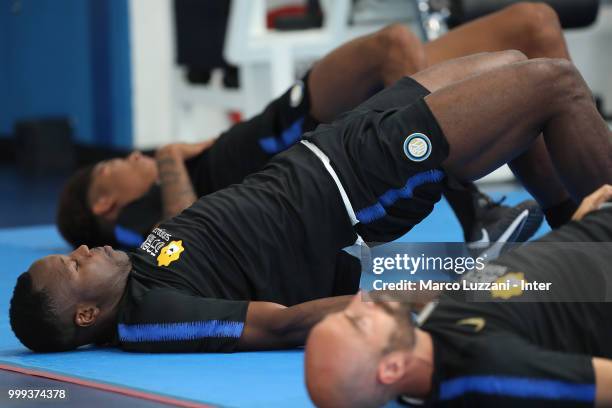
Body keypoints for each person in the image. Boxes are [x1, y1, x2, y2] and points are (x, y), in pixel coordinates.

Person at [10, 51, 611, 354]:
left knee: (513, 66)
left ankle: (581, 245)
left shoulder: (140, 264)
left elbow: (204, 237)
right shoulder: (152, 317)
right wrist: (413, 301)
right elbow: (282, 324)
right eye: (72, 264)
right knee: (553, 84)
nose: (82, 250)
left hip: (329, 149)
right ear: (85, 315)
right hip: (359, 186)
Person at [57, 1, 574, 249]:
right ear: (105, 204)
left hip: (298, 109)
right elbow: (181, 244)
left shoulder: (170, 174)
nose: (130, 156)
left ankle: (583, 220)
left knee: (535, 23)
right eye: (112, 169)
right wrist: (170, 158)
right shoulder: (132, 222)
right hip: (306, 129)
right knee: (392, 44)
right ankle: (478, 213)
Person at [304, 185, 612, 408]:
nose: (360, 300)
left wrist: (575, 231)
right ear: (392, 368)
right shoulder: (490, 373)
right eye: (359, 323)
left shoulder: (431, 334)